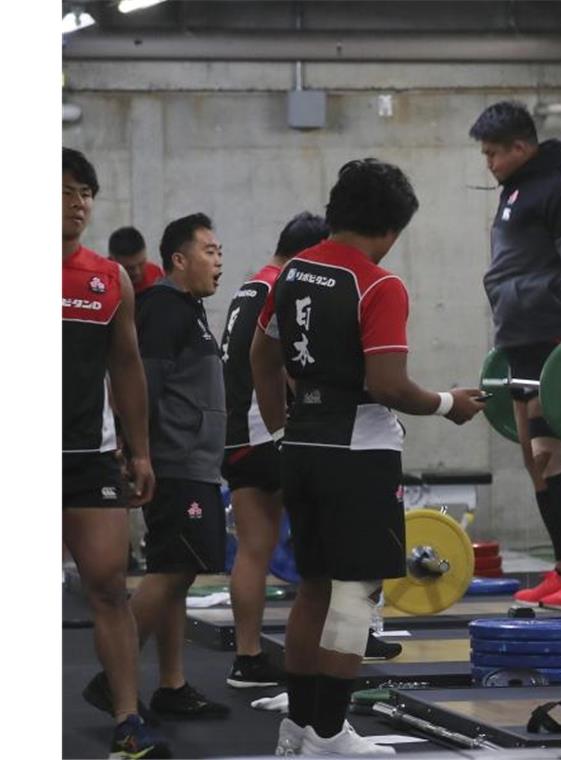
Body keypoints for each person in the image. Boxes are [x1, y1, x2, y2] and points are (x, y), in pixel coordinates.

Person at [249, 158, 484, 755]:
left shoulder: (294, 271)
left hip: (299, 447)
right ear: (392, 228)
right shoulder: (379, 285)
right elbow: (389, 385)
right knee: (355, 595)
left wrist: (282, 429)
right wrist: (447, 403)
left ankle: (299, 730)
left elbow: (262, 357)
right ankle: (329, 735)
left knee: (313, 590)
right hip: (358, 453)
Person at [86, 213, 232, 719]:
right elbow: (137, 382)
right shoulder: (164, 309)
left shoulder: (189, 310)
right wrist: (138, 451)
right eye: (209, 251)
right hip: (175, 462)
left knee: (178, 570)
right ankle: (113, 678)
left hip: (196, 461)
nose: (218, 261)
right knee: (175, 568)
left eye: (220, 252)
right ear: (178, 259)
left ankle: (172, 684)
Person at [468, 101, 561, 611]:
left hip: (554, 334)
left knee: (554, 456)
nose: (488, 162)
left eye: (493, 153)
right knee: (535, 460)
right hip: (521, 336)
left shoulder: (560, 190)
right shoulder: (517, 188)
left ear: (520, 147)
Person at [64, 148, 171, 758]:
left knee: (108, 586)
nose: (78, 203)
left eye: (86, 193)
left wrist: (141, 451)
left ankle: (128, 718)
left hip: (89, 456)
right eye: (65, 191)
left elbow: (127, 367)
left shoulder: (108, 279)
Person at [219, 212, 328, 688]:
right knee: (327, 541)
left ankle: (247, 658)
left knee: (253, 550)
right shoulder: (286, 288)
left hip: (236, 435)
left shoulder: (248, 288)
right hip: (272, 431)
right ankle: (330, 649)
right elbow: (287, 363)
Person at [109, 226, 164, 294]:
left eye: (141, 264)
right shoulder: (102, 279)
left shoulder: (155, 274)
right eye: (129, 268)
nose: (137, 272)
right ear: (112, 260)